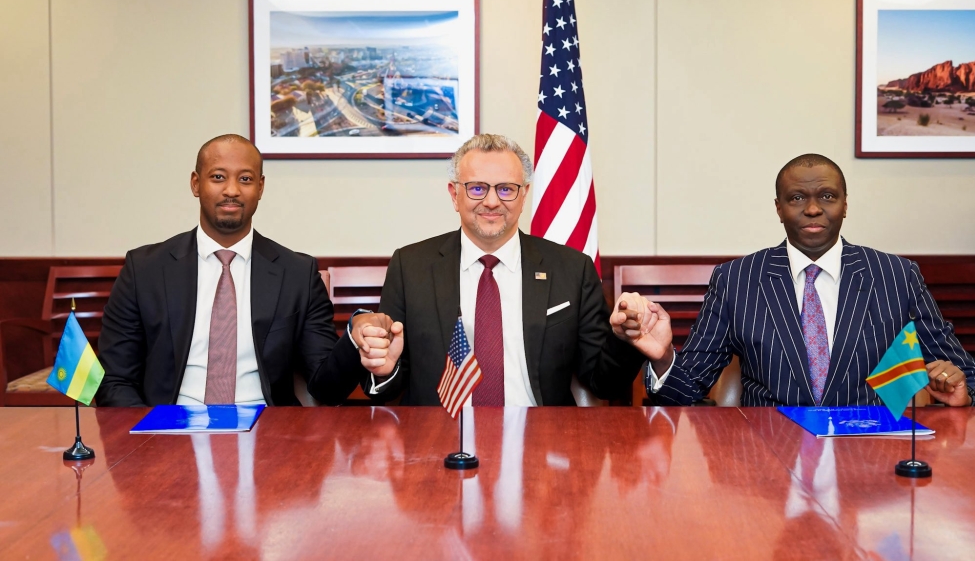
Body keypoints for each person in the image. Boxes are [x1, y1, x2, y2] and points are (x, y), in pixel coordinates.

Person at [633, 153, 975, 407]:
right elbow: (685, 391)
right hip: (768, 460)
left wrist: (964, 393)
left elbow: (972, 378)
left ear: (845, 204)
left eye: (827, 196)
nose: (812, 208)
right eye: (797, 198)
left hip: (870, 458)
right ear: (778, 208)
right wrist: (664, 358)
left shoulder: (896, 276)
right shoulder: (736, 280)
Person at [349, 134, 649, 406]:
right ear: (454, 195)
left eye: (506, 189)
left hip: (542, 436)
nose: (492, 202)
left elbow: (602, 383)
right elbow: (387, 381)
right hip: (439, 435)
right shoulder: (410, 267)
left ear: (524, 195)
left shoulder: (571, 269)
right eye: (477, 188)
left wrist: (626, 339)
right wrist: (383, 371)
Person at [96, 134, 366, 406]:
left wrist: (355, 341)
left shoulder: (298, 274)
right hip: (170, 423)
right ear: (195, 183)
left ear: (260, 187)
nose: (232, 190)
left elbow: (327, 388)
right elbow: (115, 380)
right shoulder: (144, 270)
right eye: (218, 177)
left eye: (245, 179)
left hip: (267, 426)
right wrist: (153, 430)